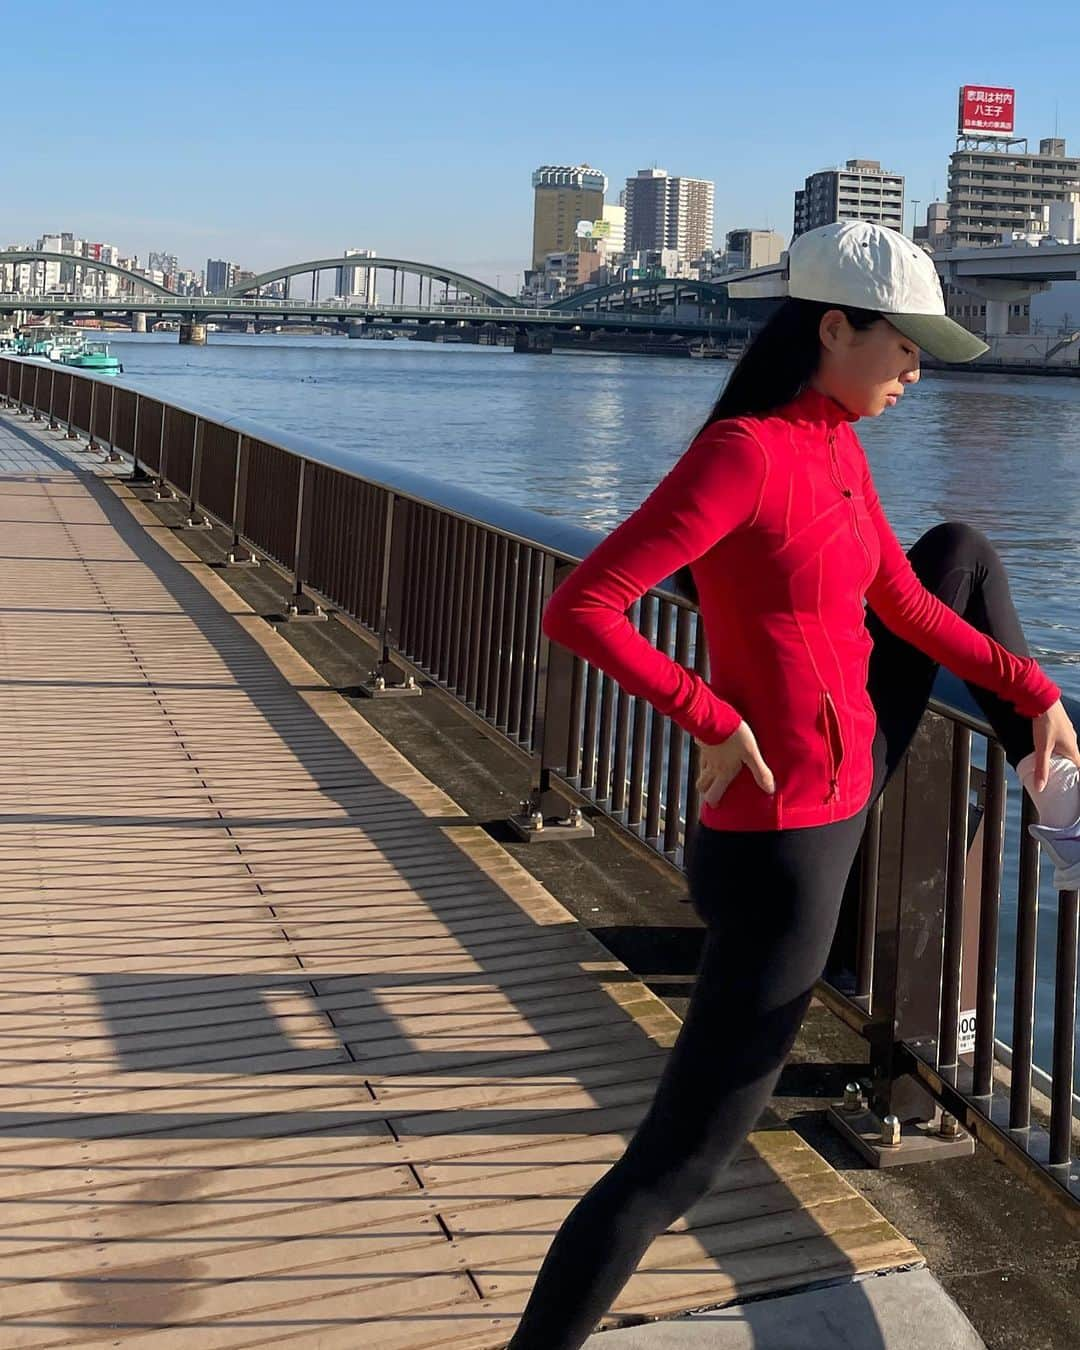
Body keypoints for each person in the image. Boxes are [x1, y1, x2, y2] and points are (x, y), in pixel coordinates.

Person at [506, 220, 1080, 1350]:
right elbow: (581, 606)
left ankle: (1056, 785)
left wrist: (1037, 690)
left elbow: (909, 608)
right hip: (782, 844)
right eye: (904, 342)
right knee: (675, 1165)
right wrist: (710, 716)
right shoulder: (747, 454)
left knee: (959, 547)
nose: (918, 366)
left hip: (847, 772)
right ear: (833, 327)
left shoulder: (837, 445)